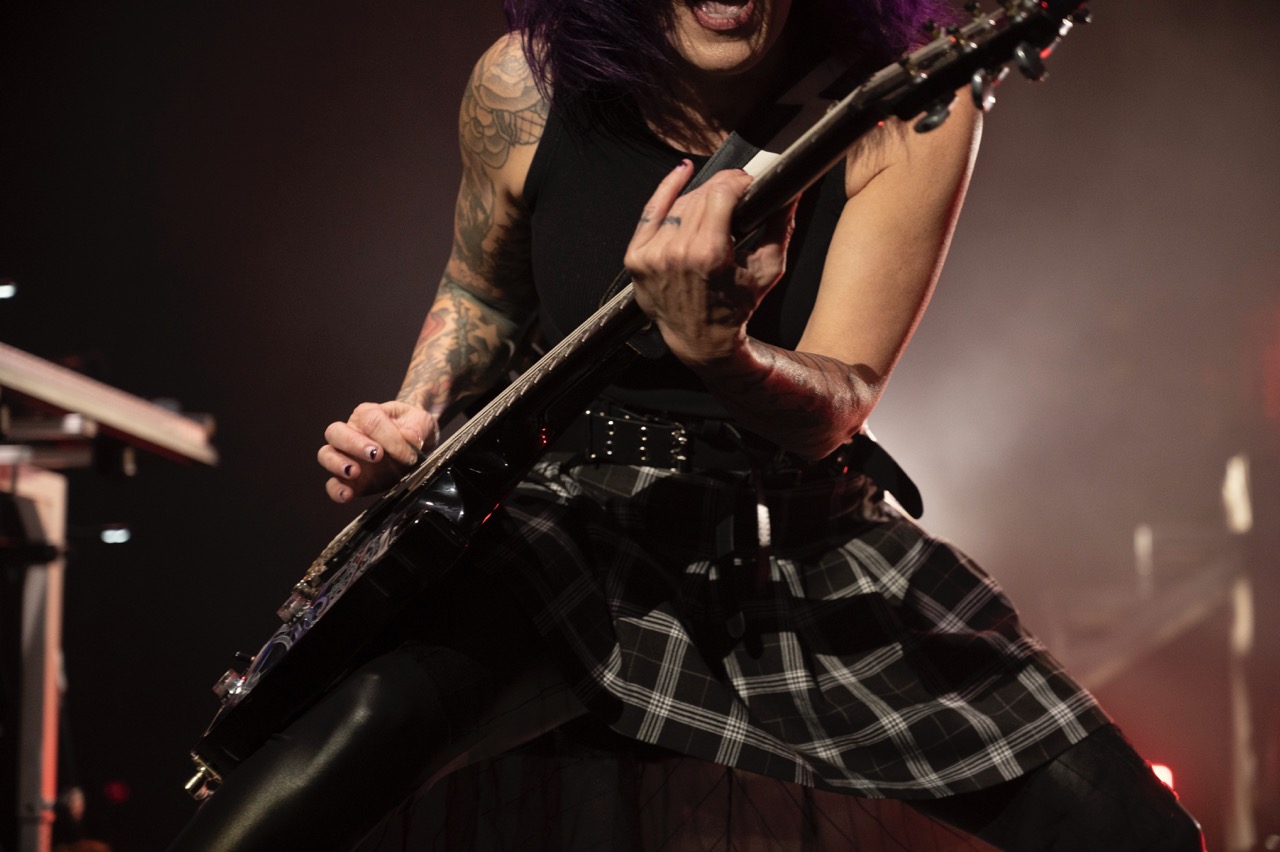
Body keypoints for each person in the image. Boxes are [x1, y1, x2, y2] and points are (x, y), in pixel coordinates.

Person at [171, 0, 1205, 848]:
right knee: (343, 742)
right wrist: (413, 414)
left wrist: (721, 352)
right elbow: (480, 292)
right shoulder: (523, 84)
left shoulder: (909, 109)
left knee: (1133, 830)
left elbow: (838, 404)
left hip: (795, 540)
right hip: (562, 521)